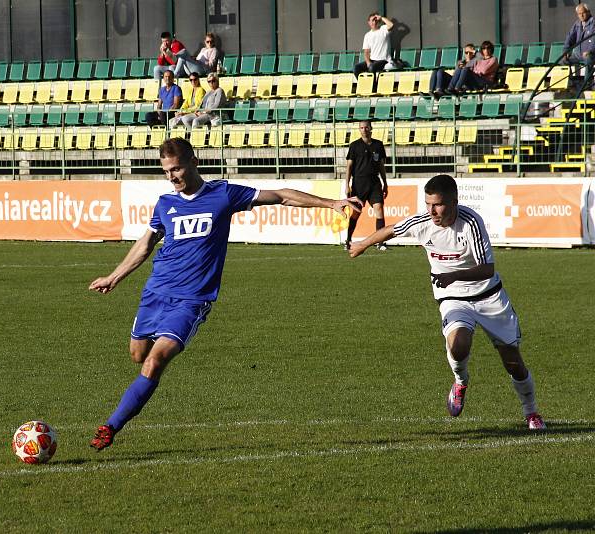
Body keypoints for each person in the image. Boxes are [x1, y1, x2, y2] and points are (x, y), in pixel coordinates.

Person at [87, 137, 362, 451]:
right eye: (166, 171)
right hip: (156, 293)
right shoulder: (165, 204)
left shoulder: (223, 194)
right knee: (138, 355)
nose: (172, 177)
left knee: (155, 361)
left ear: (194, 162)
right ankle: (134, 395)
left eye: (176, 169)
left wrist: (331, 204)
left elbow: (283, 197)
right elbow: (145, 244)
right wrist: (114, 277)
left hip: (192, 300)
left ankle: (110, 426)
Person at [348, 174, 546, 431]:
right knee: (459, 344)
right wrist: (362, 244)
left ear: (454, 202)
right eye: (428, 204)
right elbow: (391, 230)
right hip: (452, 297)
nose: (432, 211)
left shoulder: (471, 223)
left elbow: (487, 269)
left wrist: (454, 275)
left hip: (488, 296)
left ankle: (531, 413)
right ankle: (460, 381)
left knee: (513, 364)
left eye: (438, 204)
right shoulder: (423, 221)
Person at [344, 120, 388, 251]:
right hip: (359, 183)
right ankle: (348, 240)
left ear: (370, 128)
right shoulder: (354, 146)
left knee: (379, 209)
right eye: (361, 128)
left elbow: (381, 165)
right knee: (356, 213)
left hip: (374, 182)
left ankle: (380, 242)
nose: (364, 130)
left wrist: (385, 183)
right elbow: (349, 167)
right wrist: (347, 185)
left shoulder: (378, 145)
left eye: (366, 127)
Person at [563, 3, 595, 89]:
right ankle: (570, 83)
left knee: (589, 59)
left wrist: (590, 50)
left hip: (591, 54)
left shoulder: (593, 23)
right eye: (579, 13)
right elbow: (570, 37)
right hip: (578, 55)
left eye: (583, 12)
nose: (581, 15)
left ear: (588, 12)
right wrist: (566, 51)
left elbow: (594, 40)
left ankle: (587, 84)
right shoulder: (577, 24)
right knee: (563, 61)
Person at [354, 12, 395, 78]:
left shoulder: (383, 29)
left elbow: (391, 25)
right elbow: (366, 52)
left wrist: (381, 18)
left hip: (384, 60)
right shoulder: (367, 35)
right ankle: (364, 85)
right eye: (372, 20)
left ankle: (373, 87)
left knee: (372, 67)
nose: (374, 22)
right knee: (356, 68)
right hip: (372, 60)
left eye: (376, 20)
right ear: (369, 22)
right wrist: (368, 62)